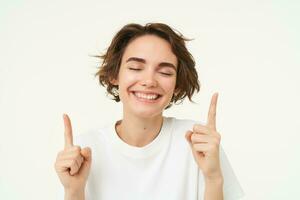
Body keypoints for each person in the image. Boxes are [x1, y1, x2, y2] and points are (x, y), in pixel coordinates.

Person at [54, 23, 244, 200]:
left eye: (165, 72)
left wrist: (213, 179)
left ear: (177, 84)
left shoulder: (199, 143)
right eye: (136, 67)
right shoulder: (84, 150)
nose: (149, 81)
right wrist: (74, 191)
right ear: (114, 75)